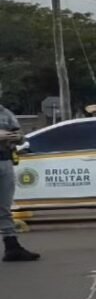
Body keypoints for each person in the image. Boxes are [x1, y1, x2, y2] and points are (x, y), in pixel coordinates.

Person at [0, 96, 39, 262]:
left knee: (4, 208)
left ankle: (12, 247)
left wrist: (16, 137)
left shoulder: (5, 113)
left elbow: (20, 135)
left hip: (4, 160)